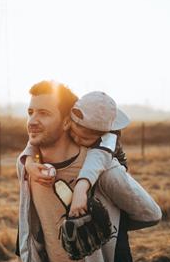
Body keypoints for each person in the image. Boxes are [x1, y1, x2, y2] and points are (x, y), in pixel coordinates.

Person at [15, 80, 162, 262]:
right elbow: (28, 212)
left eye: (44, 113)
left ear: (68, 121)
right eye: (30, 112)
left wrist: (107, 228)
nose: (32, 121)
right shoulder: (29, 167)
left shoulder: (104, 170)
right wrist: (22, 255)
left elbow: (151, 214)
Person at [25, 90, 130, 218]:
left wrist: (81, 188)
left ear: (100, 135)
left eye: (84, 139)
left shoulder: (108, 141)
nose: (76, 139)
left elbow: (97, 158)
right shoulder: (80, 121)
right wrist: (29, 161)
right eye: (73, 133)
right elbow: (38, 138)